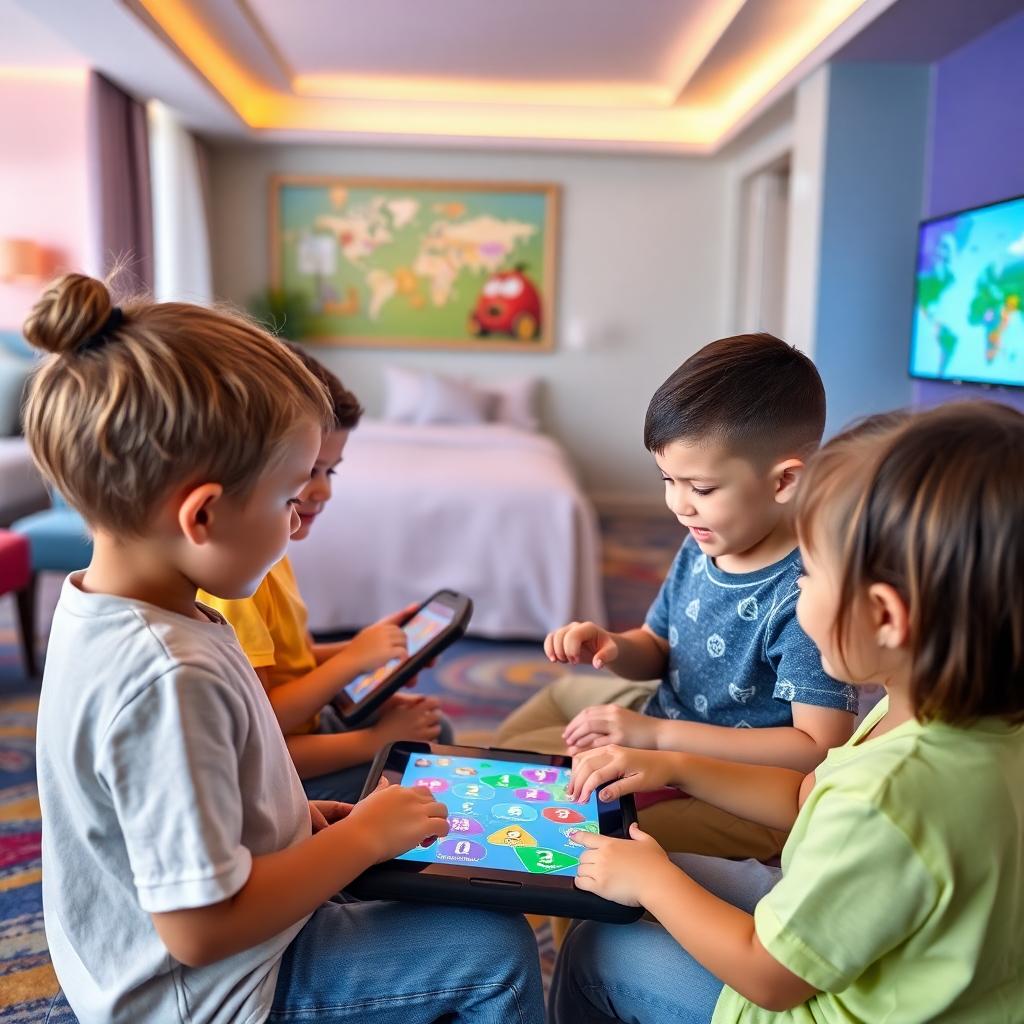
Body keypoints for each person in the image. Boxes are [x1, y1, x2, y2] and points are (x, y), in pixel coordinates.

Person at [29, 274, 544, 1024]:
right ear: (203, 514)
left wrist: (302, 827)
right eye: (288, 498)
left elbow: (186, 811)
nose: (298, 522)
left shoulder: (114, 612)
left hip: (164, 965)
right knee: (490, 948)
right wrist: (363, 838)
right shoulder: (167, 675)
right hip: (212, 996)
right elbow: (202, 928)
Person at [550, 402, 1024, 1024]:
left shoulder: (886, 796)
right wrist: (678, 768)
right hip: (931, 968)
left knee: (599, 939)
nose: (795, 587)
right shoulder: (944, 722)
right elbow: (809, 798)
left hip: (800, 1005)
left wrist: (652, 884)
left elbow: (772, 979)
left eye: (809, 573)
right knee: (651, 868)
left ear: (884, 616)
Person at [495, 334, 858, 858]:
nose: (678, 505)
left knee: (585, 832)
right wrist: (615, 647)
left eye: (702, 489)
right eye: (668, 479)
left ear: (784, 481)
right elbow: (658, 645)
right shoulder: (708, 540)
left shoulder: (809, 595)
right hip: (665, 724)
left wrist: (657, 737)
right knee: (537, 732)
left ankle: (577, 925)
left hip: (743, 794)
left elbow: (817, 749)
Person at [199, 345, 451, 803]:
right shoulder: (235, 584)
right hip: (273, 772)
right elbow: (263, 729)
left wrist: (357, 650)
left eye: (330, 470)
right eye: (308, 473)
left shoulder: (270, 552)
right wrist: (370, 731)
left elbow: (286, 661)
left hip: (303, 725)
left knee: (432, 729)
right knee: (424, 763)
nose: (322, 491)